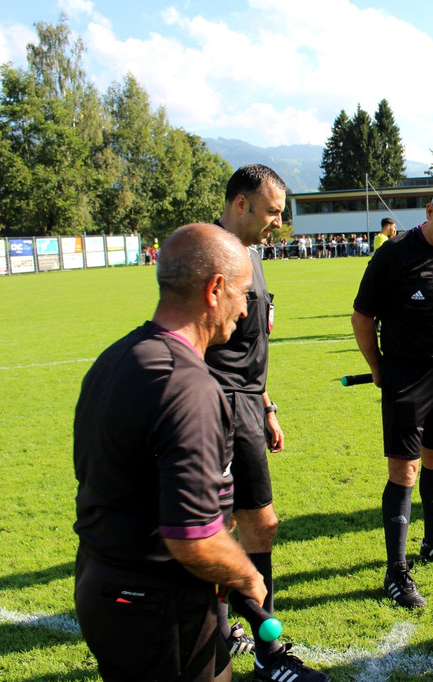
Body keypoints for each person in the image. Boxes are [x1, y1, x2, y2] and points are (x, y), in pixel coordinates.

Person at [74, 224, 326, 682]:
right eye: (244, 292)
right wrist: (249, 578)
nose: (247, 307)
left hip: (100, 583)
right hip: (159, 609)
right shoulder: (189, 388)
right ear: (215, 289)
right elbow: (192, 535)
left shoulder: (116, 358)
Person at [204, 165, 324, 681]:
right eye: (272, 211)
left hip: (249, 404)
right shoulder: (210, 259)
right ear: (240, 204)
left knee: (240, 525)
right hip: (219, 408)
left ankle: (227, 628)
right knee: (248, 524)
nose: (279, 221)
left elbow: (251, 344)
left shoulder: (252, 255)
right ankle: (266, 650)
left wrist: (267, 406)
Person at [351, 182, 433, 608]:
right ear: (429, 211)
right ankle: (395, 570)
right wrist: (378, 367)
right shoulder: (393, 254)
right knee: (403, 472)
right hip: (406, 376)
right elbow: (362, 315)